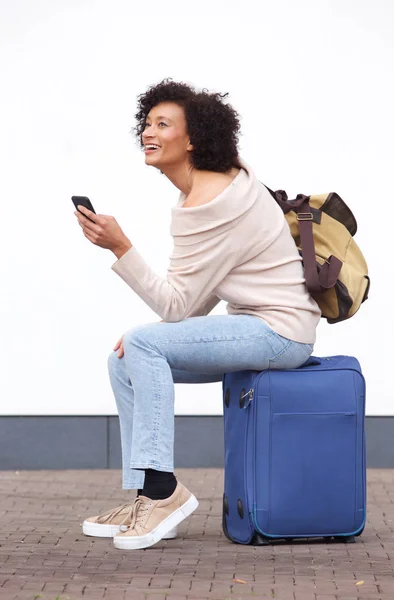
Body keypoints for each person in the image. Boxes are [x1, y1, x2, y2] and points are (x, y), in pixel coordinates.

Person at [75, 78, 321, 550]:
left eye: (163, 124)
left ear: (192, 140)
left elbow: (175, 306)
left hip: (278, 333)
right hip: (257, 326)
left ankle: (165, 493)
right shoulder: (215, 186)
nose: (149, 132)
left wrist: (121, 246)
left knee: (143, 343)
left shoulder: (210, 203)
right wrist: (150, 334)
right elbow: (193, 298)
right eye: (147, 123)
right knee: (123, 359)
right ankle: (147, 491)